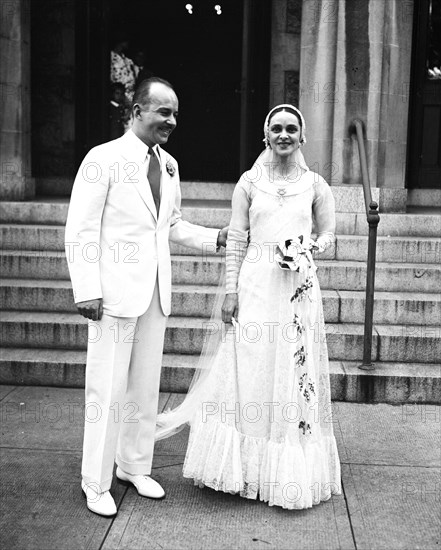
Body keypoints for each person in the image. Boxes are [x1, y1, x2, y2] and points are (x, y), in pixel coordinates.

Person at [156, 104, 341, 510]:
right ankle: (242, 468)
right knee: (251, 365)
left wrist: (310, 247)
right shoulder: (249, 183)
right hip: (255, 284)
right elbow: (237, 238)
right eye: (276, 128)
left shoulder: (316, 184)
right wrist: (230, 291)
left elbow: (329, 234)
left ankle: (283, 469)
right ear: (266, 135)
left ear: (302, 136)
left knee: (290, 369)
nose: (284, 135)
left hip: (296, 288)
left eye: (292, 129)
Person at [64, 77, 228, 517]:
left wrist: (219, 238)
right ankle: (95, 482)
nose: (171, 121)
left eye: (175, 114)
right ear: (137, 111)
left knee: (143, 388)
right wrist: (87, 289)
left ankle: (132, 467)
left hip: (155, 293)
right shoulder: (103, 158)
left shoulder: (169, 164)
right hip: (112, 295)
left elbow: (171, 225)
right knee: (106, 390)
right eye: (163, 112)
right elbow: (80, 229)